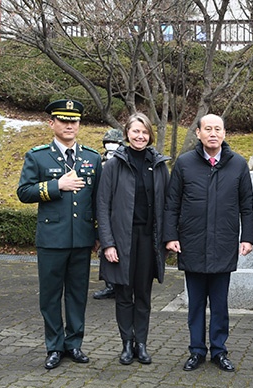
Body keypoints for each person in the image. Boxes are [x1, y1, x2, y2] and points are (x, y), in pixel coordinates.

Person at [164, 113, 253, 373]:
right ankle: (196, 351)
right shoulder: (184, 164)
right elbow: (172, 205)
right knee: (195, 305)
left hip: (224, 244)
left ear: (225, 133)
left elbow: (247, 206)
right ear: (198, 133)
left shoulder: (238, 164)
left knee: (219, 304)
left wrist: (247, 237)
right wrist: (171, 236)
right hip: (192, 243)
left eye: (218, 129)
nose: (213, 133)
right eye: (208, 129)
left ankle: (219, 350)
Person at [17, 99, 102, 369]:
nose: (69, 125)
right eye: (63, 120)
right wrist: (57, 185)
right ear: (52, 123)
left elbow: (99, 199)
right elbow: (24, 192)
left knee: (77, 294)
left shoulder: (92, 157)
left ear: (79, 124)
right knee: (51, 296)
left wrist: (99, 234)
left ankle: (74, 344)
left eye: (73, 120)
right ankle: (54, 346)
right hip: (52, 240)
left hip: (81, 239)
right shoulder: (38, 156)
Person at [96, 113, 170, 365]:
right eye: (135, 131)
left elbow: (168, 205)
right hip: (121, 239)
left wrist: (168, 239)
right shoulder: (115, 164)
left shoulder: (159, 165)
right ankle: (126, 343)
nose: (140, 136)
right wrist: (108, 243)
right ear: (127, 133)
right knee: (124, 294)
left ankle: (142, 343)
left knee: (143, 294)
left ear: (150, 135)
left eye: (144, 132)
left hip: (149, 239)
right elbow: (102, 205)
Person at [93, 128, 125, 300]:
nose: (111, 146)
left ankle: (121, 286)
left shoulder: (125, 160)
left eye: (114, 143)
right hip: (104, 210)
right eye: (108, 143)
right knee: (105, 250)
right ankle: (110, 285)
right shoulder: (100, 160)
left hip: (121, 211)